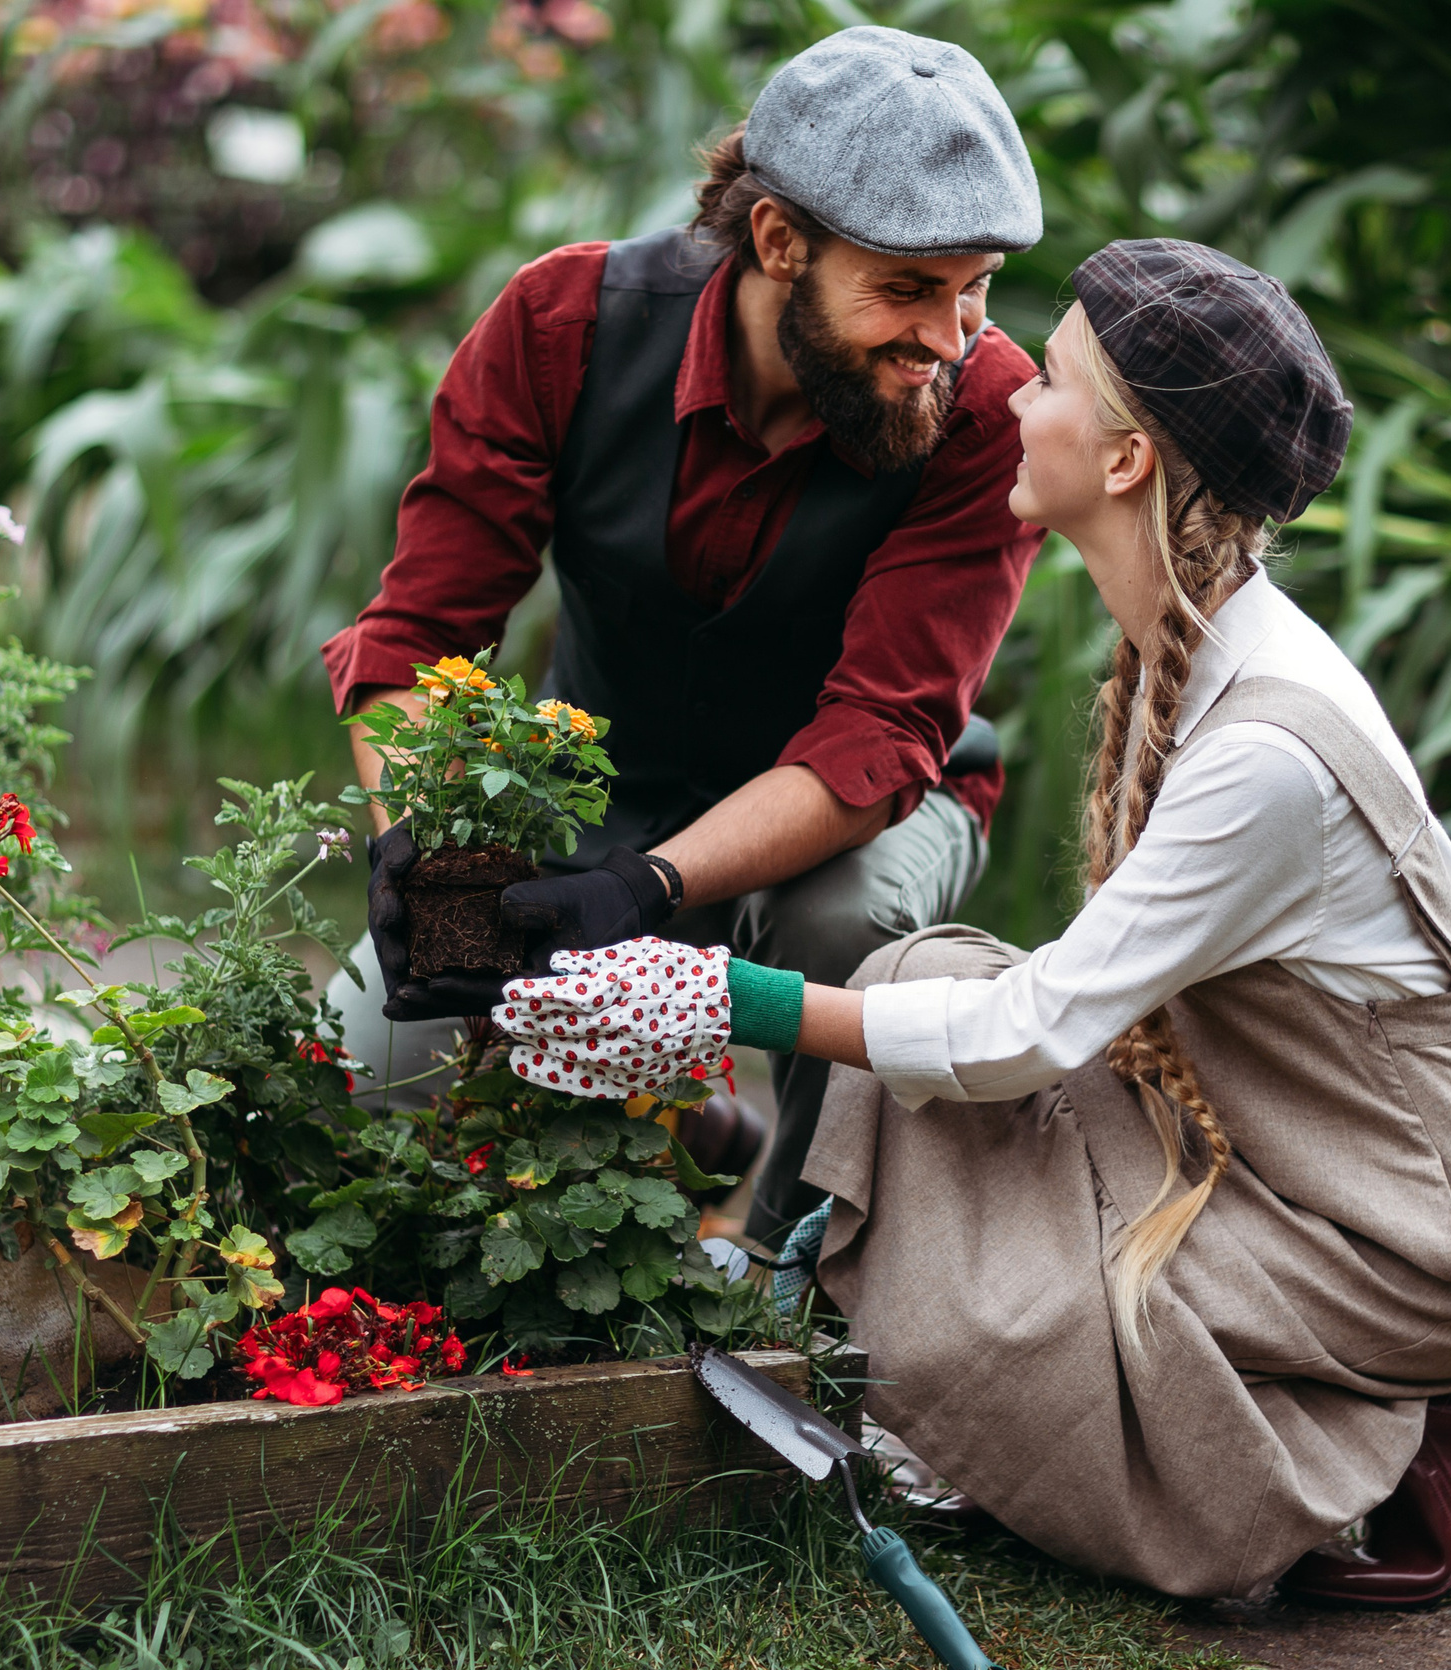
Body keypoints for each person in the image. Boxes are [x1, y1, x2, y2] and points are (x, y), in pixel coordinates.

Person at [488, 240, 1451, 1608]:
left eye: (1044, 380)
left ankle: (1389, 1445)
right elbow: (1039, 1013)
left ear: (1124, 460)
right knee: (919, 977)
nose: (997, 394)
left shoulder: (1267, 750)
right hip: (1263, 1146)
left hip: (1411, 1235)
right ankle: (1357, 1408)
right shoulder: (1193, 644)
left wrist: (723, 999)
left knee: (1024, 1315)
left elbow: (1039, 1030)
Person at [320, 25, 1047, 1245]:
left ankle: (801, 1283)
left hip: (863, 812)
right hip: (603, 788)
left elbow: (877, 733)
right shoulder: (566, 325)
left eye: (975, 288)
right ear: (777, 242)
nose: (948, 338)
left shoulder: (981, 411)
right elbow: (415, 643)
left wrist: (646, 887)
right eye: (908, 289)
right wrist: (430, 860)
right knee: (371, 1064)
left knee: (842, 932)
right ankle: (692, 1124)